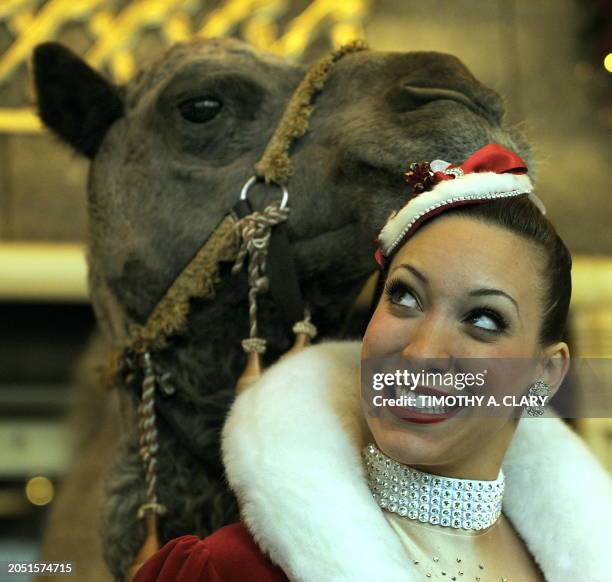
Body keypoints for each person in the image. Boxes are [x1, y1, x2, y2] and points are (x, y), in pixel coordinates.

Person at [133, 144, 611, 582]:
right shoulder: (230, 571)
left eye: (483, 320)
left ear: (544, 376)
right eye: (405, 296)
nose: (421, 353)